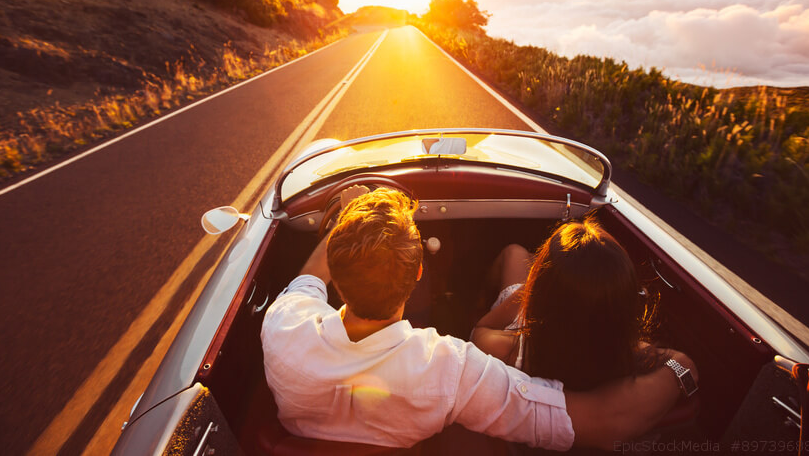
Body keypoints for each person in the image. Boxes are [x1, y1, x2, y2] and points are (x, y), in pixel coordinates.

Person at [261, 187, 697, 451]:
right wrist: (681, 369)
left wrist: (345, 220)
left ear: (335, 277)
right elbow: (604, 425)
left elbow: (308, 279)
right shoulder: (452, 370)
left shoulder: (283, 325)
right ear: (417, 275)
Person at [471, 220, 665, 391]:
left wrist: (528, 289)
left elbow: (479, 331)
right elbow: (680, 362)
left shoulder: (510, 349)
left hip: (521, 325)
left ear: (539, 296)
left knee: (513, 252)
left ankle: (477, 300)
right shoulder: (630, 355)